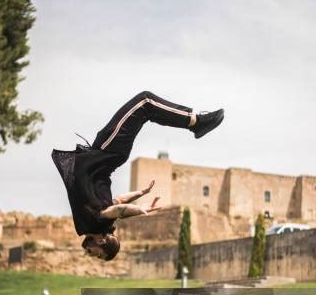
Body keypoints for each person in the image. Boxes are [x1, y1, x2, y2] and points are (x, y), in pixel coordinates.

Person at [52, 91, 224, 261]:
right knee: (145, 102)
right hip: (106, 152)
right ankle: (196, 122)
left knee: (146, 107)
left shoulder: (91, 224)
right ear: (101, 241)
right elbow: (118, 210)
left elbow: (118, 201)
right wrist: (139, 210)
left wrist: (140, 194)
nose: (89, 253)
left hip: (103, 154)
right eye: (96, 253)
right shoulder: (97, 223)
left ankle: (196, 122)